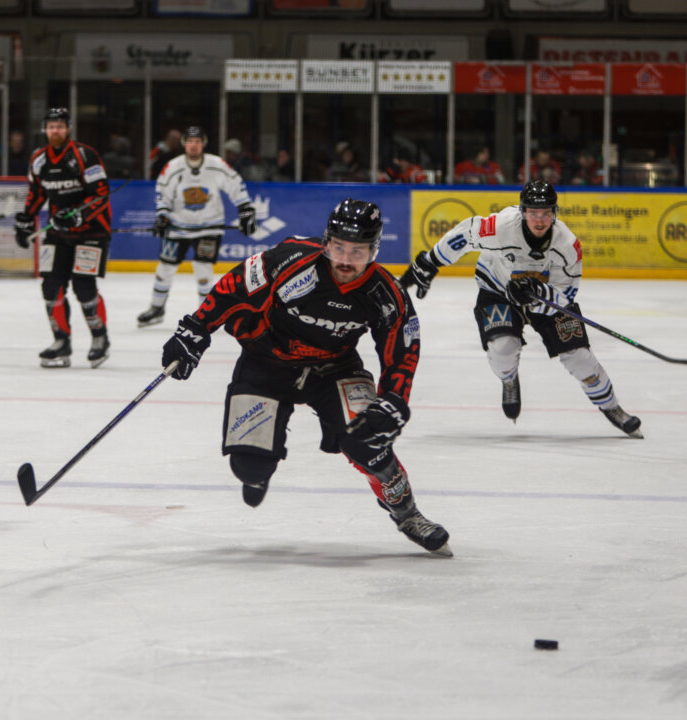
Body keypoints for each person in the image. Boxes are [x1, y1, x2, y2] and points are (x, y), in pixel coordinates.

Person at [159, 198, 452, 556]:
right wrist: (193, 330)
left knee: (369, 442)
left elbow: (402, 351)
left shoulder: (385, 293)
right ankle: (261, 462)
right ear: (327, 241)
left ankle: (407, 514)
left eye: (357, 252)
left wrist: (393, 400)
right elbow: (232, 287)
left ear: (375, 250)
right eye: (339, 248)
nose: (345, 260)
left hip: (335, 369)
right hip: (266, 363)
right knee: (248, 468)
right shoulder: (290, 261)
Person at [400, 180, 642, 438]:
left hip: (545, 300)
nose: (539, 220)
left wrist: (539, 293)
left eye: (546, 213)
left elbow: (568, 292)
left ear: (554, 213)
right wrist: (430, 262)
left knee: (579, 356)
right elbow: (465, 233)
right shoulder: (501, 228)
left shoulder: (567, 245)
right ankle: (508, 378)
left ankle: (612, 407)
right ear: (523, 211)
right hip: (498, 291)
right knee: (502, 348)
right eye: (533, 213)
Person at [13, 108, 113, 369]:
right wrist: (26, 220)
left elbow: (101, 195)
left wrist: (80, 215)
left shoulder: (84, 155)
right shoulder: (38, 159)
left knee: (84, 287)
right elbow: (36, 194)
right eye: (50, 126)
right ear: (45, 130)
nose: (54, 131)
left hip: (92, 233)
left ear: (68, 129)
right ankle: (61, 341)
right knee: (50, 286)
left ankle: (100, 338)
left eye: (59, 126)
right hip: (58, 232)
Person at [136, 126, 256, 328]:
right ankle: (157, 308)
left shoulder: (216, 164)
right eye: (190, 142)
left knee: (203, 269)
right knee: (165, 268)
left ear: (203, 144)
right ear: (184, 144)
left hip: (209, 227)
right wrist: (162, 215)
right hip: (178, 227)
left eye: (198, 142)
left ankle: (206, 313)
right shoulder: (173, 166)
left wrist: (245, 209)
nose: (194, 146)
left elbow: (235, 185)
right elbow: (162, 191)